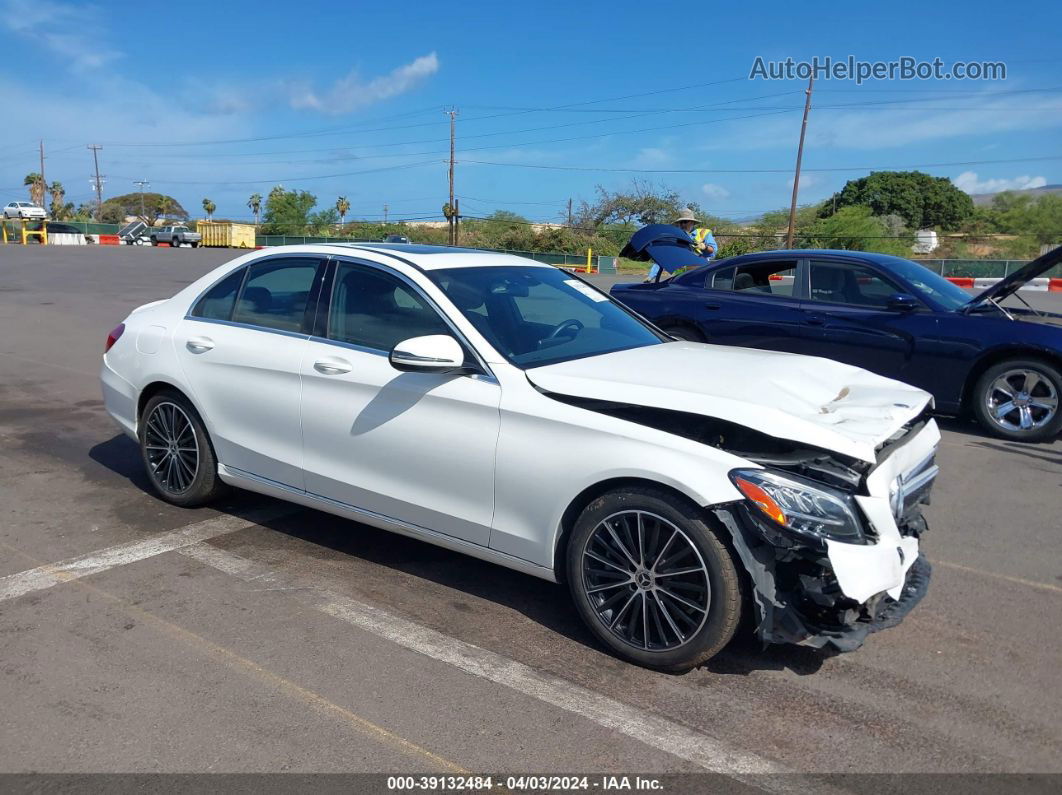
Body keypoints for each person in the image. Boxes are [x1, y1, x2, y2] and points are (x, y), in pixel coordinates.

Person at [645, 209, 717, 281]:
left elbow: (713, 251)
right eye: (680, 223)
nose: (682, 225)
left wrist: (705, 247)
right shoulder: (676, 237)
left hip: (699, 272)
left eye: (685, 222)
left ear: (692, 222)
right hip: (680, 277)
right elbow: (665, 256)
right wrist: (650, 276)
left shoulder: (703, 233)